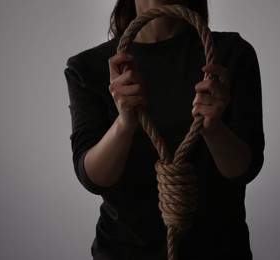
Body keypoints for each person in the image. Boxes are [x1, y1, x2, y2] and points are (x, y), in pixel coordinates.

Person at [65, 0, 264, 259]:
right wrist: (124, 123)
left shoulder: (230, 56)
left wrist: (214, 128)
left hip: (219, 251)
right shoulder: (88, 68)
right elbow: (92, 177)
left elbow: (244, 169)